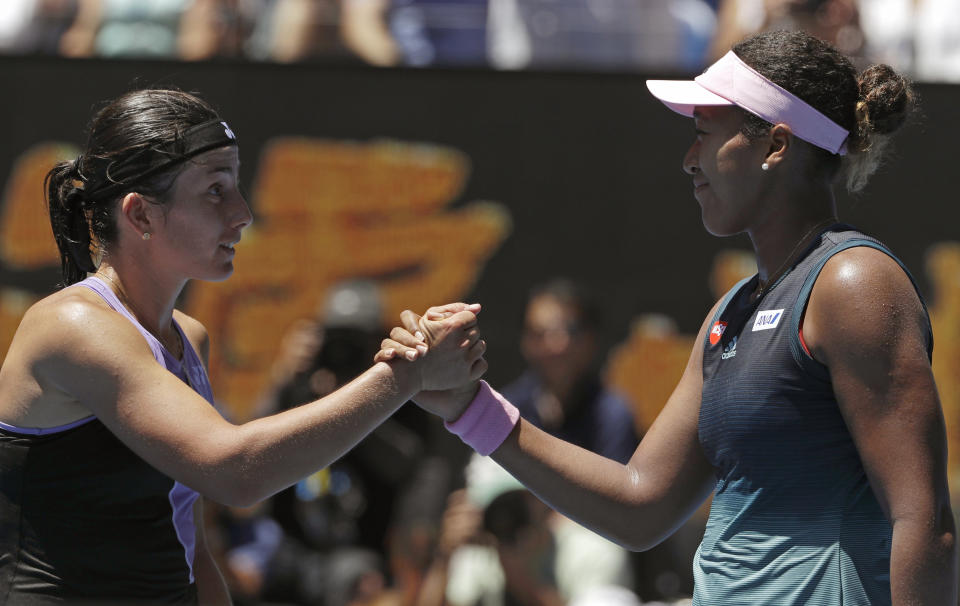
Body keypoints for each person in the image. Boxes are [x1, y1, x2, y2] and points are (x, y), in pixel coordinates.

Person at [378, 30, 958, 604]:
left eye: (704, 135)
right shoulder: (729, 314)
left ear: (776, 146)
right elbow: (640, 506)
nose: (689, 160)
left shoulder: (853, 284)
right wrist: (467, 406)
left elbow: (923, 521)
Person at [0, 87, 486, 604]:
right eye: (215, 190)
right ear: (140, 215)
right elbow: (233, 472)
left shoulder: (190, 338)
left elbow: (193, 548)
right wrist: (406, 374)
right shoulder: (72, 325)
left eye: (236, 185)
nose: (243, 212)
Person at [503, 278, 638, 465]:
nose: (557, 344)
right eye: (540, 333)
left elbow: (618, 491)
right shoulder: (505, 408)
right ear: (524, 342)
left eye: (571, 330)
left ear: (591, 338)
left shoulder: (612, 414)